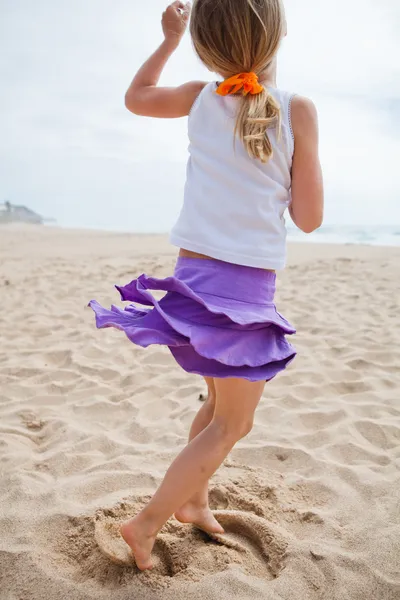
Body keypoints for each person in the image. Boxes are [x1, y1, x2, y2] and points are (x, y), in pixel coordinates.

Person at [89, 0, 324, 571]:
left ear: (203, 43)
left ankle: (194, 500)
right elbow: (310, 218)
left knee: (219, 404)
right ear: (279, 35)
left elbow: (137, 97)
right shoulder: (296, 109)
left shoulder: (198, 97)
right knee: (233, 423)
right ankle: (145, 525)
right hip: (243, 291)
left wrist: (167, 39)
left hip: (194, 280)